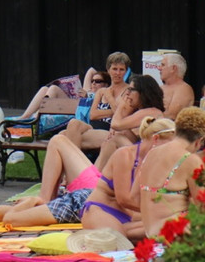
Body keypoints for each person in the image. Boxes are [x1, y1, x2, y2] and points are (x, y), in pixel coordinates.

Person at [81, 116, 175, 238]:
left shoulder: (157, 162)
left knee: (176, 225)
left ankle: (107, 234)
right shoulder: (125, 155)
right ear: (156, 139)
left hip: (129, 218)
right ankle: (108, 233)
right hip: (101, 209)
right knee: (115, 239)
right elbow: (124, 199)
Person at [136, 106, 205, 238]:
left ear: (177, 130)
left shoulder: (151, 154)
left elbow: (136, 197)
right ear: (199, 141)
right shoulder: (190, 160)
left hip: (151, 234)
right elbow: (202, 205)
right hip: (176, 237)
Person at [92, 74, 166, 169]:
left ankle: (96, 173)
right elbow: (121, 129)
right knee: (118, 134)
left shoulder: (150, 112)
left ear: (143, 93)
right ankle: (98, 172)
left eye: (131, 90)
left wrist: (122, 104)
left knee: (115, 139)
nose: (127, 93)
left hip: (150, 158)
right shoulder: (148, 111)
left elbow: (115, 124)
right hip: (145, 152)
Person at [62, 51, 131, 151]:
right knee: (73, 123)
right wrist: (114, 111)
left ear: (126, 71)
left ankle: (76, 160)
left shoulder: (128, 91)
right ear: (108, 70)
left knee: (63, 137)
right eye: (115, 69)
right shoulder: (101, 92)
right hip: (92, 127)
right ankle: (77, 159)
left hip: (109, 130)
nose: (118, 73)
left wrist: (109, 97)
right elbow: (92, 115)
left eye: (121, 69)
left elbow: (123, 115)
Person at [160, 52, 195, 120]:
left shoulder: (184, 89)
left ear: (173, 68)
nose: (159, 68)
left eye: (163, 65)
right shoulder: (160, 88)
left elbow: (172, 116)